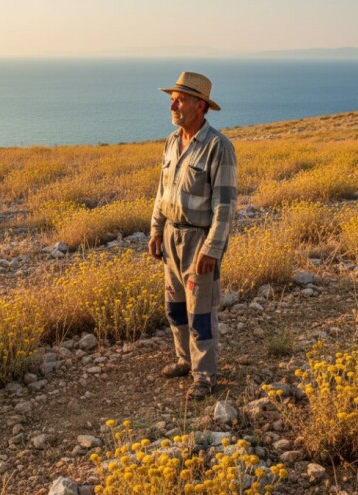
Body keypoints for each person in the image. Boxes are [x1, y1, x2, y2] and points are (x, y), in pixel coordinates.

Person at [148, 72, 238, 400]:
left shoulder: (218, 147)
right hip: (171, 236)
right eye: (172, 99)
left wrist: (212, 249)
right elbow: (162, 192)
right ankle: (184, 360)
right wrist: (156, 229)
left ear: (200, 105)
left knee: (200, 311)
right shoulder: (172, 142)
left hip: (199, 241)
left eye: (180, 100)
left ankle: (205, 376)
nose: (172, 106)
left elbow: (225, 206)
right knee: (174, 307)